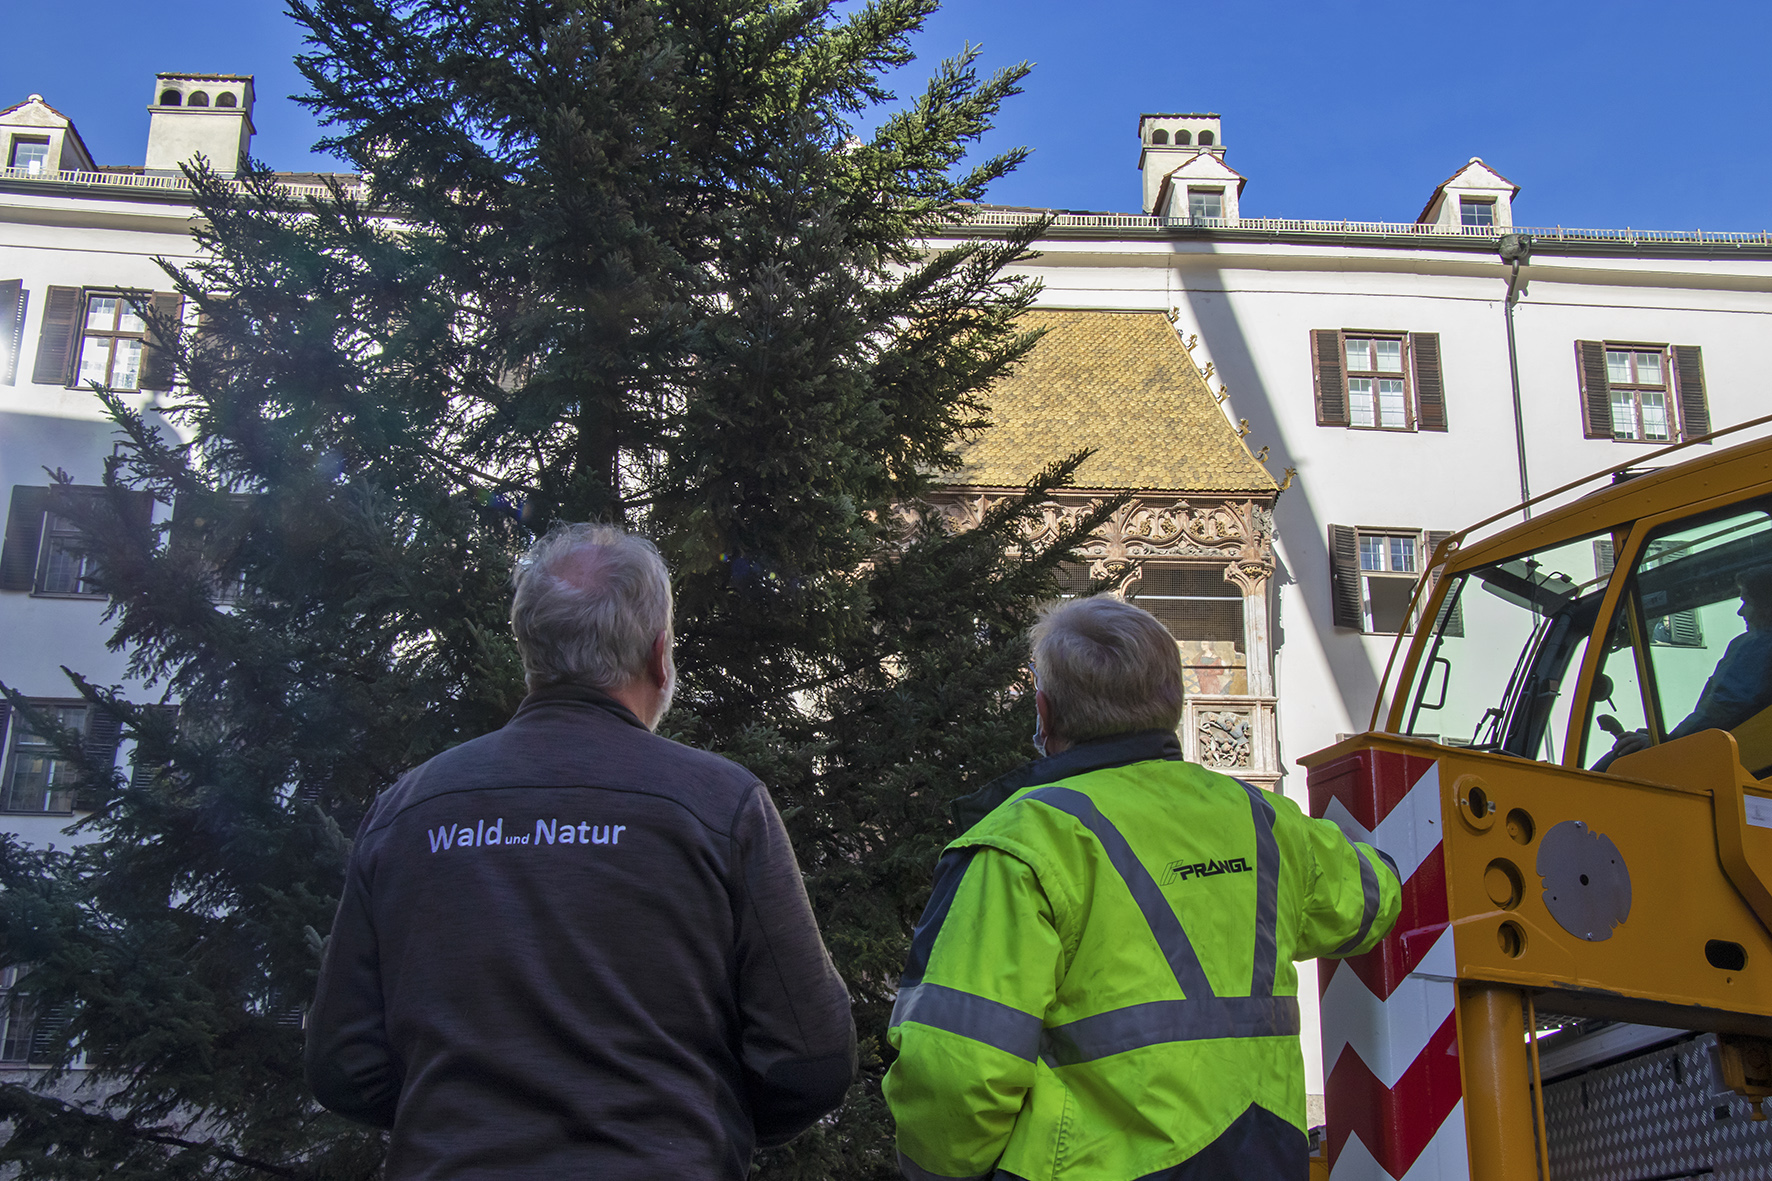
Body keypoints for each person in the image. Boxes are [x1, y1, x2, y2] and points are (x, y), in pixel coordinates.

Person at [305, 523, 855, 1178]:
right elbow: (810, 1061)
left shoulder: (410, 809)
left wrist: (463, 1126)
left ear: (530, 650)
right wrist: (694, 1127)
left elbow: (342, 1062)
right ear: (659, 655)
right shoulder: (721, 806)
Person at [884, 595, 1400, 1181]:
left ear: (1044, 712)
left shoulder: (1020, 844)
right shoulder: (1265, 822)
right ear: (1175, 704)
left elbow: (956, 1072)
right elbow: (1372, 899)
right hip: (1262, 1158)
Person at [1597, 570, 1772, 769]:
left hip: (1729, 764)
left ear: (1767, 606)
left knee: (1614, 765)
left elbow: (1724, 706)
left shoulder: (1758, 644)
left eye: (1746, 602)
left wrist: (1669, 744)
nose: (1740, 612)